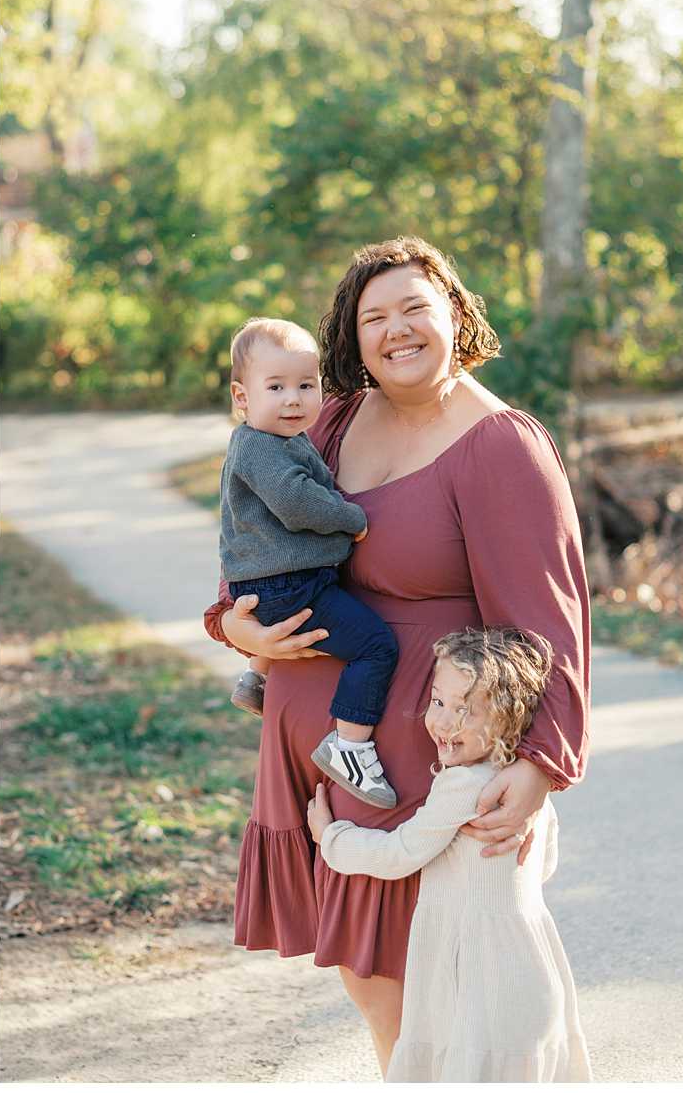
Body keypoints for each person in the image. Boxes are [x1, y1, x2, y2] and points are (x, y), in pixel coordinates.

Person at [202, 236, 591, 1075]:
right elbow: (252, 534)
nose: (397, 329)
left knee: (415, 988)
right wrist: (232, 626)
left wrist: (540, 768)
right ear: (352, 333)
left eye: (415, 306)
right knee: (368, 981)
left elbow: (549, 622)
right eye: (374, 316)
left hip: (418, 747)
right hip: (323, 748)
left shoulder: (500, 444)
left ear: (455, 311)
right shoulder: (331, 416)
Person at [307, 627, 592, 1081]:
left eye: (466, 710)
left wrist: (332, 838)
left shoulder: (463, 785)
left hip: (486, 981)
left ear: (508, 719)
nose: (444, 722)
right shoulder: (527, 793)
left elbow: (402, 852)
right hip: (531, 969)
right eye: (439, 702)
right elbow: (546, 864)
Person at [218, 318, 400, 810]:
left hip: (273, 581)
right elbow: (297, 503)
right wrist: (351, 519)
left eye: (305, 384)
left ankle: (256, 677)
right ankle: (351, 746)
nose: (294, 399)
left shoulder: (277, 437)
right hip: (290, 585)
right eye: (275, 387)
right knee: (376, 647)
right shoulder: (262, 447)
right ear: (242, 396)